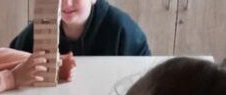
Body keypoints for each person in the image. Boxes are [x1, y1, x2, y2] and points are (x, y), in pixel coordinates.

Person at [10, 0, 150, 57]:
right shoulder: (39, 31)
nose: (67, 3)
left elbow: (146, 83)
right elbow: (11, 63)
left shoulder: (123, 30)